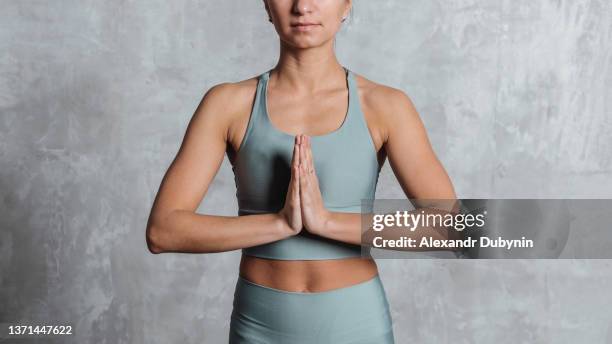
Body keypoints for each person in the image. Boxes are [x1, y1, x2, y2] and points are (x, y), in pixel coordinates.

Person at [145, 0, 456, 342]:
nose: (303, 6)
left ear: (346, 5)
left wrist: (325, 222)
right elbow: (163, 231)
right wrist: (279, 223)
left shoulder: (385, 106)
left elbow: (448, 228)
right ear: (266, 5)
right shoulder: (227, 104)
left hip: (356, 323)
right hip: (259, 325)